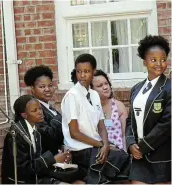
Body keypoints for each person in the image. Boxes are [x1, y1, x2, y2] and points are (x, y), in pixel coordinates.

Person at [61, 54, 130, 184]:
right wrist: (102, 145)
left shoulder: (94, 95)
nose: (82, 75)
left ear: (93, 72)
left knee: (125, 160)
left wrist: (105, 144)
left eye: (86, 71)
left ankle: (96, 179)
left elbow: (101, 126)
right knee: (121, 160)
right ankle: (95, 179)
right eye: (79, 71)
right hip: (80, 150)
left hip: (94, 147)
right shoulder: (72, 96)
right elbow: (74, 133)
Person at [125, 35, 171, 184]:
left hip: (163, 156)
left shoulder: (169, 88)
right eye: (153, 60)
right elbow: (129, 120)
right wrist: (131, 144)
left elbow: (167, 124)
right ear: (144, 62)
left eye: (163, 59)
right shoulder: (136, 89)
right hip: (140, 157)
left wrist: (142, 147)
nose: (159, 64)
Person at [1, 95, 70, 184]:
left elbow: (37, 160)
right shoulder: (17, 135)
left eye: (40, 109)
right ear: (24, 115)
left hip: (36, 178)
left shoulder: (36, 130)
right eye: (34, 110)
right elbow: (23, 170)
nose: (40, 112)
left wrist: (58, 158)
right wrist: (53, 159)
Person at [24, 65, 63, 155]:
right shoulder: (34, 110)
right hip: (46, 159)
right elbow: (48, 136)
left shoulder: (48, 108)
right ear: (32, 89)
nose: (47, 89)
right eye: (42, 87)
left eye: (50, 85)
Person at [91, 69, 128, 151]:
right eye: (100, 86)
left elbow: (125, 135)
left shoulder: (119, 106)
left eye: (106, 83)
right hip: (98, 154)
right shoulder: (89, 109)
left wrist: (126, 155)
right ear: (91, 90)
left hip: (118, 154)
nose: (105, 87)